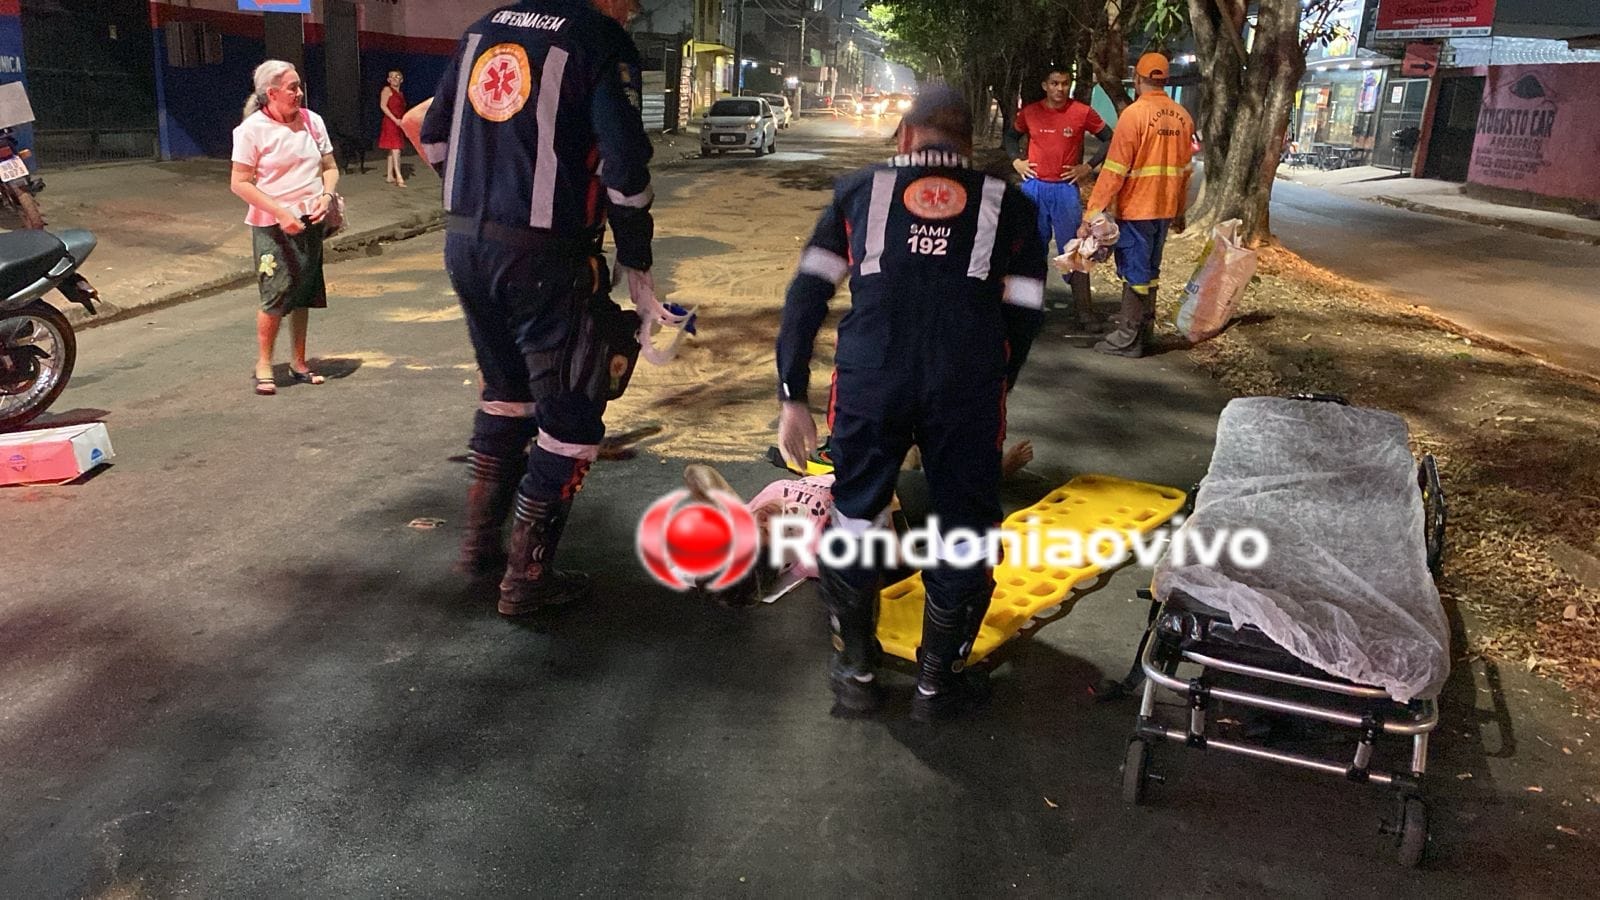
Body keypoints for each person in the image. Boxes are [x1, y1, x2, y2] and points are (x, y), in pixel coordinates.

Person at [775, 86, 1047, 723]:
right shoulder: (1011, 204)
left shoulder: (857, 192)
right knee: (965, 527)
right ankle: (936, 683)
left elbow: (807, 295)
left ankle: (855, 672)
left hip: (870, 380)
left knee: (856, 517)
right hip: (967, 382)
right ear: (969, 144)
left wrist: (792, 394)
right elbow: (1027, 308)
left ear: (904, 137)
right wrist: (1000, 378)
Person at [402, 0, 660, 617]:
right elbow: (625, 167)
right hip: (546, 256)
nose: (632, 7)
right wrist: (637, 259)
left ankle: (479, 549)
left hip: (467, 246)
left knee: (507, 392)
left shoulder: (481, 30)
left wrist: (479, 200)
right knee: (571, 414)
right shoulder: (597, 39)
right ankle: (526, 580)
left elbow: (430, 134)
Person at [230, 60, 339, 396]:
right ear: (271, 93)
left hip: (310, 220)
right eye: (292, 88)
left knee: (304, 291)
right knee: (275, 293)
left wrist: (326, 196)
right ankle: (265, 363)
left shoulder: (312, 122)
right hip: (272, 225)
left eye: (299, 86)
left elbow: (330, 167)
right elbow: (239, 182)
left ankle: (299, 362)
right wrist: (279, 212)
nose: (299, 93)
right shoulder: (252, 130)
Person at [1079, 52, 1196, 358]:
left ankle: (1128, 338)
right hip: (1165, 208)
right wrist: (1180, 210)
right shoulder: (1183, 117)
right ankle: (1144, 333)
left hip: (1137, 208)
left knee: (1135, 271)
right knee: (1151, 271)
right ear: (1165, 80)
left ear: (1138, 78)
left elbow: (1113, 170)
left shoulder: (1134, 116)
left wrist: (1092, 212)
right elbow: (1186, 172)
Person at [1003, 64, 1115, 333]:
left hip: (1065, 190)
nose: (1060, 89)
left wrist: (1088, 167)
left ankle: (1084, 312)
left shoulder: (1082, 112)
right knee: (1030, 251)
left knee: (1076, 250)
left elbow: (1109, 138)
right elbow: (1011, 136)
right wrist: (1016, 161)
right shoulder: (1030, 112)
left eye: (1065, 83)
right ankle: (1028, 312)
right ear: (1045, 86)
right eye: (1054, 83)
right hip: (1034, 188)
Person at [378, 69, 408, 187]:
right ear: (388, 80)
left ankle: (390, 175)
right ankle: (399, 177)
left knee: (392, 149)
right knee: (396, 149)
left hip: (398, 122)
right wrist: (395, 119)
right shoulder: (387, 90)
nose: (394, 78)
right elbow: (383, 106)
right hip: (391, 122)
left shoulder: (400, 94)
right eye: (392, 77)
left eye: (397, 76)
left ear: (401, 79)